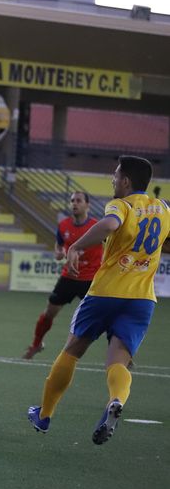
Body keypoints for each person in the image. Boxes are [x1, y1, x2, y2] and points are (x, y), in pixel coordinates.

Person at [28, 156, 170, 445]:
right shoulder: (164, 209)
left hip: (105, 292)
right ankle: (116, 400)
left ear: (126, 181)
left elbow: (108, 225)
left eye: (116, 176)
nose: (113, 180)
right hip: (142, 299)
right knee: (118, 359)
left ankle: (44, 414)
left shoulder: (121, 205)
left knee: (72, 350)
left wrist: (76, 246)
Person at [22, 191, 103, 359]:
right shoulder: (64, 225)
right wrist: (58, 252)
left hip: (90, 279)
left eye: (78, 201)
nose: (74, 203)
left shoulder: (97, 226)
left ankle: (123, 354)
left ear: (87, 205)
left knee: (106, 316)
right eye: (72, 200)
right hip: (69, 277)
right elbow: (59, 245)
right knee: (49, 312)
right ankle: (36, 344)